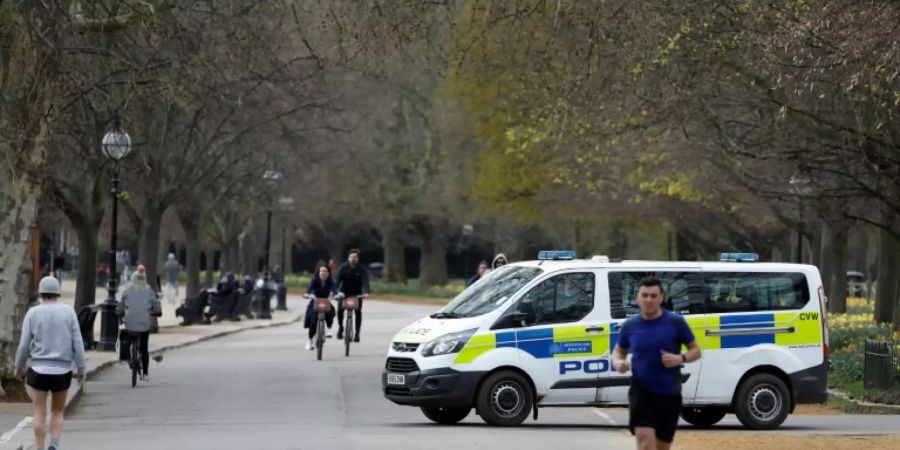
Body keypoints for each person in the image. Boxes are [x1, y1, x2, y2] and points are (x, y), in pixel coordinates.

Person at [611, 277, 701, 450]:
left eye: (653, 296)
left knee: (662, 447)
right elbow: (619, 350)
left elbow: (696, 351)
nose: (649, 300)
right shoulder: (631, 325)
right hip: (641, 392)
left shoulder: (675, 323)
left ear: (661, 298)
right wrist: (618, 362)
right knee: (645, 444)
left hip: (669, 394)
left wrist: (680, 358)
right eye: (645, 295)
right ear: (637, 298)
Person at [15, 276, 86, 450]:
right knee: (58, 411)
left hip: (38, 369)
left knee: (39, 411)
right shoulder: (68, 312)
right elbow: (77, 343)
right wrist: (81, 368)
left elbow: (24, 345)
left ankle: (39, 447)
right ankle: (54, 444)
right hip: (62, 370)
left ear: (41, 292)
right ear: (57, 293)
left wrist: (19, 367)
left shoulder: (33, 313)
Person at [117, 265, 162, 382]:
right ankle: (146, 374)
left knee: (128, 336)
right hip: (144, 324)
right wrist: (157, 312)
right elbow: (156, 304)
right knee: (144, 347)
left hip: (130, 323)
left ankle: (130, 357)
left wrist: (120, 313)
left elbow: (121, 306)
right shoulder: (149, 290)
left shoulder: (127, 290)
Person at [334, 249, 370, 342]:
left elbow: (365, 281)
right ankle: (341, 327)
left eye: (355, 257)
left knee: (358, 312)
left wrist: (366, 292)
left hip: (357, 294)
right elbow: (337, 280)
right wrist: (335, 292)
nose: (353, 259)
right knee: (340, 310)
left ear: (358, 258)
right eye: (351, 257)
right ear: (348, 258)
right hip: (344, 292)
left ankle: (357, 333)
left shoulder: (362, 269)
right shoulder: (343, 267)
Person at [303, 265, 337, 350]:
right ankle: (310, 340)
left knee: (331, 311)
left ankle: (329, 328)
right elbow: (308, 290)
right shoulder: (315, 280)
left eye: (325, 271)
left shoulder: (330, 281)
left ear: (328, 273)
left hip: (326, 301)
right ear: (318, 273)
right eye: (321, 271)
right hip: (315, 302)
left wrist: (336, 296)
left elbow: (334, 290)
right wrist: (307, 295)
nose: (323, 273)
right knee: (313, 322)